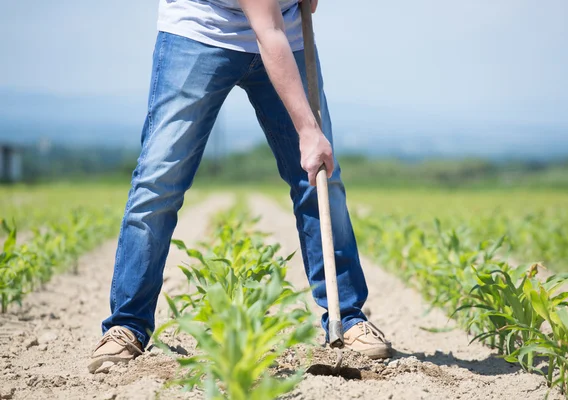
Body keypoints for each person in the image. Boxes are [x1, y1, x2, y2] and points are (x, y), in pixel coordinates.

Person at [88, 0, 392, 374]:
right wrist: (309, 131)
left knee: (320, 177)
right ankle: (127, 324)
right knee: (159, 180)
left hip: (285, 29)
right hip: (200, 29)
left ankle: (347, 318)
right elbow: (268, 31)